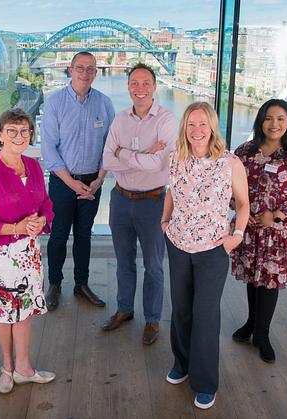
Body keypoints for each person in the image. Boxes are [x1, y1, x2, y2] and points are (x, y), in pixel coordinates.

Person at [161, 102, 249, 410]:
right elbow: (173, 190)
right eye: (191, 124)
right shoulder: (175, 158)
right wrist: (164, 220)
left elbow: (243, 204)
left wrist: (236, 236)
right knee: (181, 310)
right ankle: (182, 365)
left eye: (203, 124)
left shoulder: (230, 163)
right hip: (178, 245)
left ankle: (205, 381)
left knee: (206, 315)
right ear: (184, 128)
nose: (197, 130)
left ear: (212, 127)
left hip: (213, 250)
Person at [0, 108, 56, 394]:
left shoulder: (32, 166)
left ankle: (24, 369)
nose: (19, 136)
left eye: (24, 131)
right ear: (0, 135)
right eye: (12, 131)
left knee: (25, 311)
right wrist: (18, 227)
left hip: (29, 253)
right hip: (2, 256)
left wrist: (42, 219)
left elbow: (44, 203)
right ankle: (7, 366)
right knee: (5, 314)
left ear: (31, 134)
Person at [229, 98, 287, 364]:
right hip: (249, 228)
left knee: (269, 281)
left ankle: (262, 335)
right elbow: (228, 186)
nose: (274, 124)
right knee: (254, 277)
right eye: (268, 118)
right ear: (260, 121)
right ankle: (251, 323)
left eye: (280, 119)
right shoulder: (244, 152)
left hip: (278, 232)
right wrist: (244, 212)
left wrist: (273, 215)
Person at [100, 63, 177, 345]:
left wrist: (123, 152)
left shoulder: (167, 120)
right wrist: (141, 154)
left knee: (154, 266)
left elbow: (159, 163)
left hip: (154, 202)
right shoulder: (120, 119)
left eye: (146, 83)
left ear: (155, 87)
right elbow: (107, 160)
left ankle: (153, 320)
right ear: (128, 86)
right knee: (123, 262)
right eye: (134, 83)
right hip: (120, 199)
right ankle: (125, 309)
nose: (140, 88)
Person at [41, 51, 116, 311]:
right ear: (70, 70)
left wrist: (99, 180)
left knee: (84, 235)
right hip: (63, 184)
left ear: (96, 73)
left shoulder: (105, 104)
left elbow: (111, 146)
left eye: (90, 69)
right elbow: (49, 149)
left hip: (93, 183)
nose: (85, 73)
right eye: (80, 68)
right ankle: (54, 284)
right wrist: (71, 183)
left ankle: (81, 284)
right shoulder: (55, 104)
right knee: (58, 235)